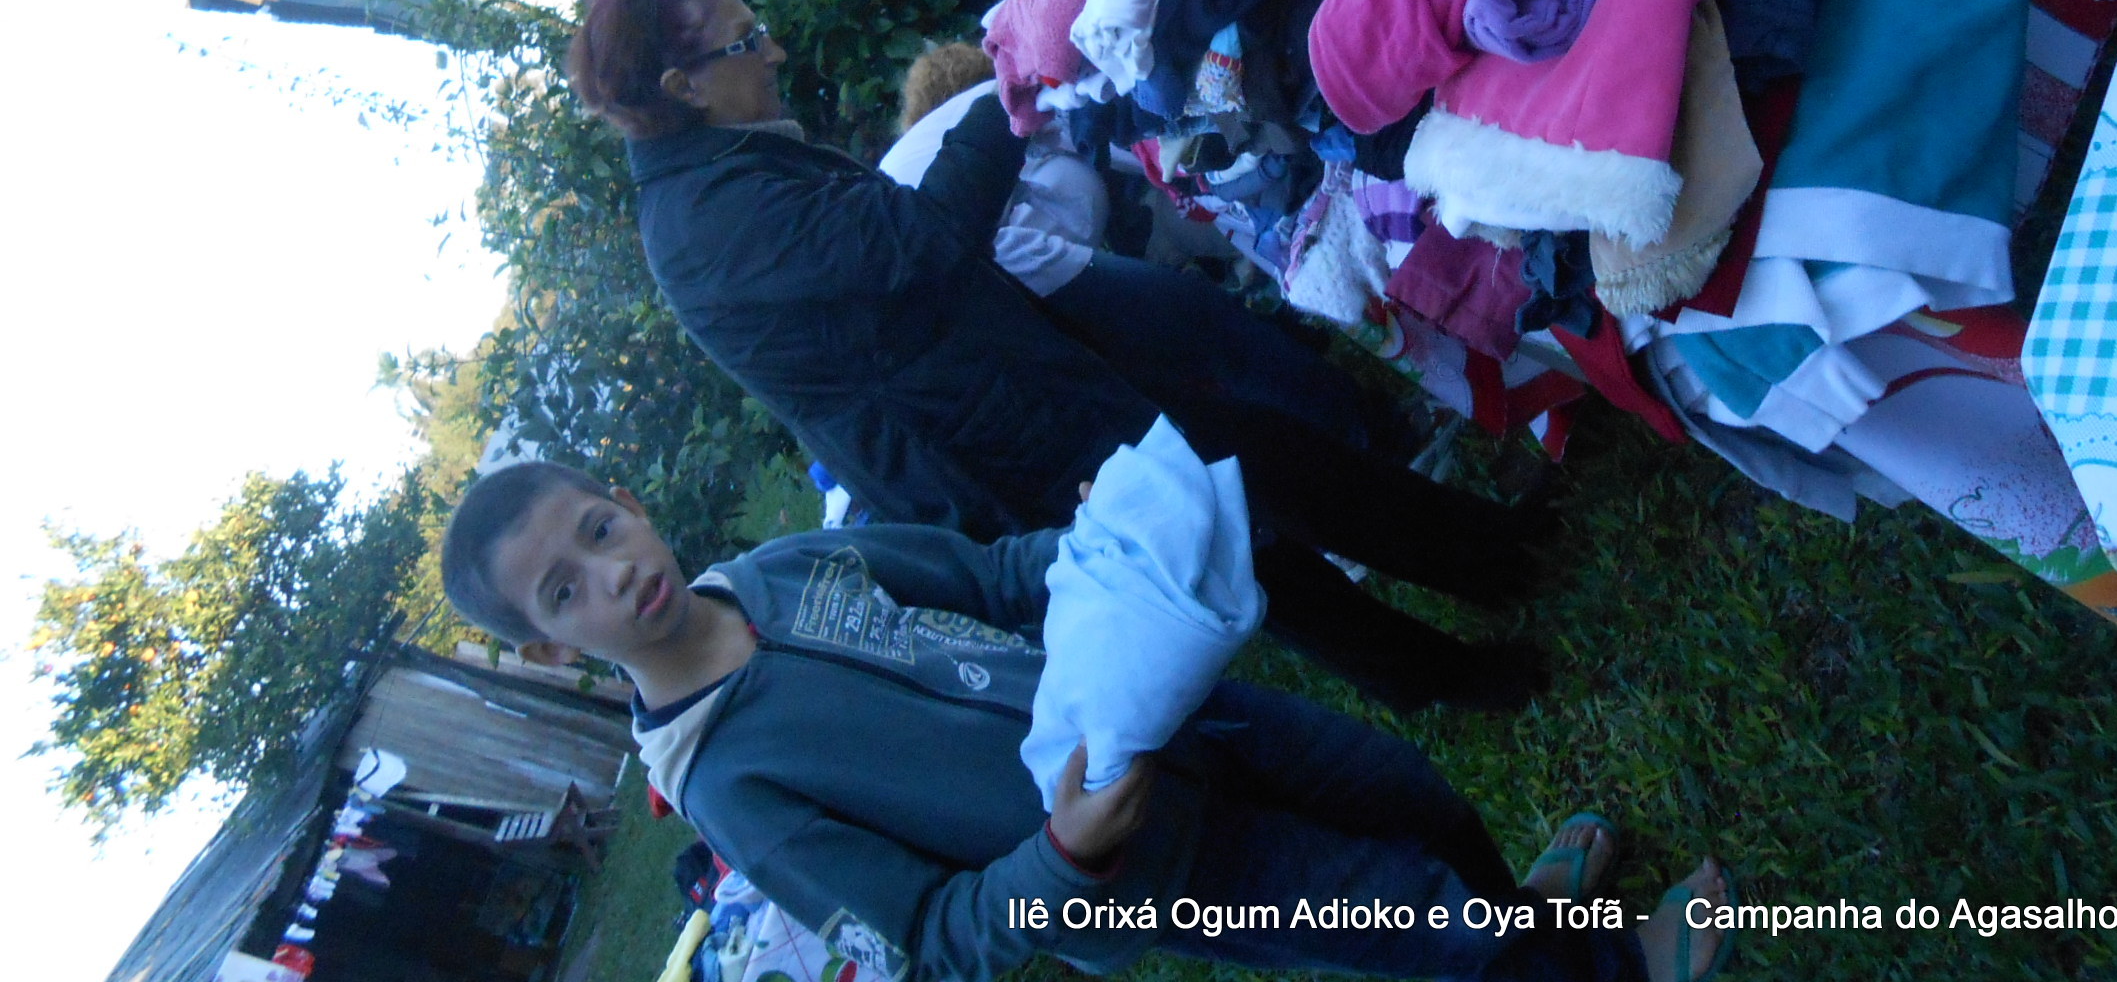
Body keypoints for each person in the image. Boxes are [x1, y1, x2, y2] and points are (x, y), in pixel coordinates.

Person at [567, 0, 1549, 712]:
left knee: (1257, 476)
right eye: (747, 42)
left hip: (1006, 385)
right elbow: (924, 238)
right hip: (995, 437)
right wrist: (1012, 91)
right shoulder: (710, 224)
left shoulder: (718, 176)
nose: (774, 52)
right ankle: (1454, 654)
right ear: (683, 86)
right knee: (1245, 516)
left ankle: (1483, 577)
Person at [440, 459, 1734, 982]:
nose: (610, 573)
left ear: (627, 503)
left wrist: (1130, 540)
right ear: (550, 647)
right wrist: (1063, 859)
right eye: (564, 591)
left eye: (597, 530)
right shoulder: (730, 786)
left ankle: (1543, 929)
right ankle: (1615, 972)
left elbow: (998, 577)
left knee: (1414, 797)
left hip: (1188, 719)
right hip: (1161, 871)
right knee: (1399, 913)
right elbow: (931, 936)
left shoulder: (780, 570)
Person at [882, 46, 1418, 461]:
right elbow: (1137, 149)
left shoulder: (940, 150)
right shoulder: (1004, 104)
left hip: (945, 329)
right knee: (1205, 324)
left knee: (1174, 376)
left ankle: (1335, 451)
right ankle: (1372, 433)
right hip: (990, 281)